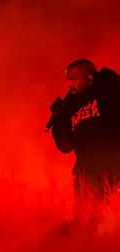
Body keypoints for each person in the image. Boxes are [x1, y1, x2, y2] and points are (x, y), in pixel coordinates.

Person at [50, 59, 120, 230]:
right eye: (68, 80)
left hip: (108, 165)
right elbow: (65, 147)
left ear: (88, 79)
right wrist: (59, 123)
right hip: (84, 169)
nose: (69, 85)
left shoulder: (108, 92)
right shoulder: (71, 106)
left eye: (73, 79)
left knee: (97, 216)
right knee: (82, 217)